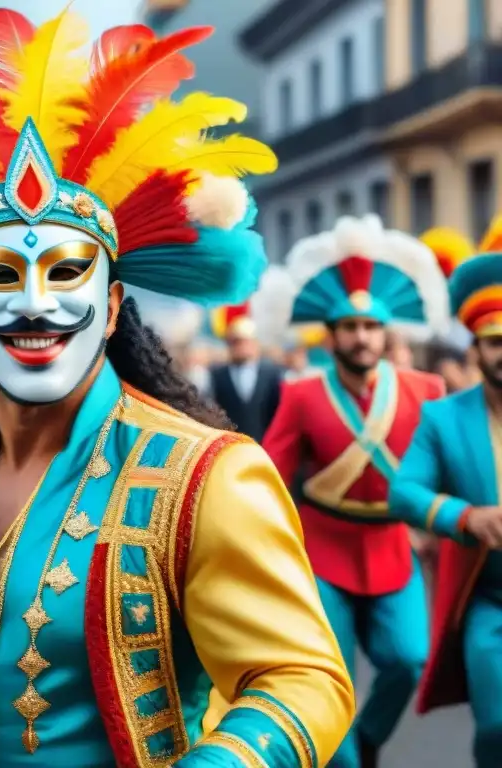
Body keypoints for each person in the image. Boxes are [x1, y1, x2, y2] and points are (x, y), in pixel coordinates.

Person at [0, 8, 352, 767]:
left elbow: (303, 679)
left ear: (114, 303)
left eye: (66, 272)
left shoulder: (206, 476)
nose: (33, 302)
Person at [260, 215, 449, 768]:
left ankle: (367, 737)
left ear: (386, 332)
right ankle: (342, 760)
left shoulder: (425, 389)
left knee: (409, 660)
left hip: (395, 544)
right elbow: (270, 476)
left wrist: (438, 521)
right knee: (329, 674)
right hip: (321, 547)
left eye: (370, 326)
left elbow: (444, 465)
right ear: (331, 333)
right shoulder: (301, 394)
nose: (361, 336)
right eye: (349, 326)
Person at [390, 250, 502, 767]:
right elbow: (403, 491)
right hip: (488, 601)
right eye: (496, 342)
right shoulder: (443, 418)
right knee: (496, 725)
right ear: (476, 350)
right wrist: (466, 517)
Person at [206, 302, 284, 441]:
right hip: (232, 445)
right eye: (236, 342)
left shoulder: (272, 373)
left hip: (265, 444)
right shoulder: (218, 374)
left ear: (254, 343)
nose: (241, 347)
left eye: (245, 342)